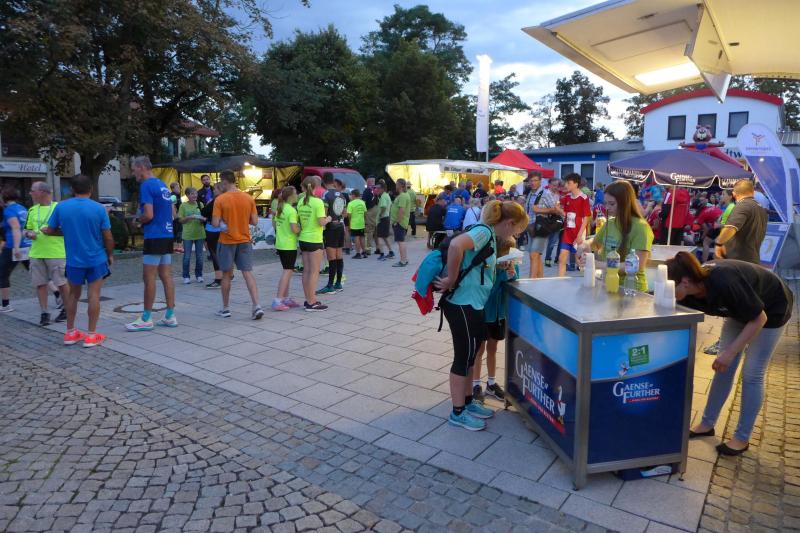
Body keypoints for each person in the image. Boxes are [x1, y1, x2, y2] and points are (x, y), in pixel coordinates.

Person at [667, 252, 794, 455]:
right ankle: (707, 424)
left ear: (685, 282)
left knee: (752, 373)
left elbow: (759, 318)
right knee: (723, 368)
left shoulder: (724, 281)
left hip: (771, 309)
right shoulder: (689, 292)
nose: (668, 292)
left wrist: (730, 352)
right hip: (741, 309)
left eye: (669, 287)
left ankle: (742, 438)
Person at [434, 200, 528, 431]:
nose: (517, 233)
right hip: (462, 303)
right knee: (463, 358)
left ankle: (467, 403)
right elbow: (456, 245)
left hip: (473, 304)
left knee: (470, 356)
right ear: (509, 223)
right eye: (518, 228)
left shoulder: (491, 236)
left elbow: (477, 265)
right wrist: (451, 279)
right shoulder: (484, 232)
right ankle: (457, 412)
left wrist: (499, 268)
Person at [43, 175, 113, 347]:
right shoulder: (99, 208)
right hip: (96, 258)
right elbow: (108, 237)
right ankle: (91, 335)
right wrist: (110, 255)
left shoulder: (61, 207)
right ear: (91, 189)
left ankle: (70, 332)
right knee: (94, 294)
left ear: (72, 189)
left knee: (73, 295)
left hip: (74, 259)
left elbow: (50, 230)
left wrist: (53, 231)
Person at [127, 156, 178, 331]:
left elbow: (148, 214)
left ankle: (146, 318)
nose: (133, 173)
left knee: (148, 277)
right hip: (167, 234)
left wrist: (138, 221)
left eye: (133, 169)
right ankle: (170, 315)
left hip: (154, 235)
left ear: (141, 167)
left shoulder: (146, 186)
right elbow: (171, 211)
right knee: (166, 276)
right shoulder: (162, 184)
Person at [581, 181, 653, 291]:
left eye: (612, 204)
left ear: (625, 203)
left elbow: (637, 266)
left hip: (631, 289)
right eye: (605, 203)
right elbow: (595, 243)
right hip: (609, 285)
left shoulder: (641, 227)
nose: (607, 208)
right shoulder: (610, 223)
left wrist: (598, 264)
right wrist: (585, 244)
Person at [211, 170, 264, 319]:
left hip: (227, 241)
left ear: (224, 182)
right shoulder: (248, 198)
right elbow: (255, 221)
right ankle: (256, 305)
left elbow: (215, 223)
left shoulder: (220, 200)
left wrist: (224, 223)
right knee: (248, 273)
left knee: (226, 275)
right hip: (244, 240)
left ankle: (226, 308)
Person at [472, 236, 517, 402]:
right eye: (505, 253)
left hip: (499, 315)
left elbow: (514, 283)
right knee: (479, 350)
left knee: (493, 348)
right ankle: (475, 384)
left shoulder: (510, 265)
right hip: (485, 314)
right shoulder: (488, 266)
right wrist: (502, 276)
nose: (508, 257)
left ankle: (491, 383)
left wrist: (512, 273)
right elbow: (488, 293)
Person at [24, 181, 68, 325]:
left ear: (42, 192)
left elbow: (67, 230)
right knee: (40, 284)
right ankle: (44, 313)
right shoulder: (32, 210)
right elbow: (26, 229)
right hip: (36, 253)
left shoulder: (59, 208)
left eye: (32, 191)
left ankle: (67, 309)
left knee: (61, 283)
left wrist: (51, 231)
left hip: (56, 252)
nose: (30, 193)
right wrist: (28, 234)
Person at [296, 176, 330, 311]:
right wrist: (328, 218)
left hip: (303, 239)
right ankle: (311, 302)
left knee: (306, 270)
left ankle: (308, 299)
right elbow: (321, 222)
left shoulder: (301, 201)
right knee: (314, 272)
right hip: (315, 240)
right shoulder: (317, 202)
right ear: (316, 187)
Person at [715, 179, 767, 264]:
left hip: (738, 259)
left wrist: (719, 243)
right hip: (752, 257)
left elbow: (731, 228)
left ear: (734, 194)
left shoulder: (743, 205)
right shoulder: (760, 208)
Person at [0, 185, 31, 313]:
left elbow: (16, 228)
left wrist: (16, 247)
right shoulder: (22, 208)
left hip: (13, 247)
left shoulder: (9, 211)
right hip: (26, 245)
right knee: (34, 272)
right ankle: (58, 296)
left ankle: (6, 305)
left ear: (4, 197)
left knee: (2, 274)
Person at [524, 172, 560, 279]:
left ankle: (531, 281)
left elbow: (556, 210)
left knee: (534, 254)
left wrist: (539, 210)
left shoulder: (545, 193)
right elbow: (528, 211)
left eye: (535, 180)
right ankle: (540, 280)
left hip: (541, 227)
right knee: (536, 256)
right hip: (531, 228)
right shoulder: (530, 193)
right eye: (531, 180)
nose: (533, 183)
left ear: (540, 181)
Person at [316, 173, 348, 293]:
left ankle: (330, 285)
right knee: (339, 255)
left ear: (323, 182)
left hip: (331, 228)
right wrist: (338, 217)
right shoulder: (342, 195)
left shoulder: (325, 194)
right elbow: (345, 213)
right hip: (340, 226)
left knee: (331, 257)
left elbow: (324, 214)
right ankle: (338, 283)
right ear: (333, 181)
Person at [272, 186, 301, 311]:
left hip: (280, 244)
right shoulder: (291, 210)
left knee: (287, 271)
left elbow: (275, 224)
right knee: (287, 271)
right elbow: (294, 229)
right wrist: (302, 229)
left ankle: (285, 298)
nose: (297, 195)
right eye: (296, 193)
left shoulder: (281, 207)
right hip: (289, 245)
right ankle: (278, 300)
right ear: (291, 196)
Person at [558, 173, 591, 277]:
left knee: (579, 261)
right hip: (567, 232)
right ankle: (559, 282)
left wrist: (580, 235)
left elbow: (586, 217)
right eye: (566, 183)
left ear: (576, 184)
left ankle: (587, 279)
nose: (566, 185)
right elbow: (564, 211)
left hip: (578, 233)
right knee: (562, 258)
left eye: (569, 183)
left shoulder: (583, 198)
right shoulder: (567, 196)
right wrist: (560, 211)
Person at [177, 187, 206, 284]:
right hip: (188, 234)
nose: (195, 195)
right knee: (187, 257)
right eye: (192, 194)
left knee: (200, 256)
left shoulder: (200, 204)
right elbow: (180, 220)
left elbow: (204, 217)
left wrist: (202, 219)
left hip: (200, 233)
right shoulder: (183, 206)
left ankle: (199, 275)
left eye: (195, 193)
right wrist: (189, 217)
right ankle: (186, 276)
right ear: (187, 195)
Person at [201, 182, 225, 288]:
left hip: (213, 229)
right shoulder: (228, 199)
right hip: (224, 229)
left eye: (215, 189)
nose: (213, 191)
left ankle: (218, 279)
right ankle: (229, 274)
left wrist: (208, 204)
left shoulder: (216, 200)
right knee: (224, 253)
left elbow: (204, 212)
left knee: (215, 254)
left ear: (220, 189)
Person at [389, 178, 411, 267]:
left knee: (400, 241)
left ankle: (403, 261)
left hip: (400, 222)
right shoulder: (404, 195)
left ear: (400, 185)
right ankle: (405, 259)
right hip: (401, 222)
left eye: (396, 184)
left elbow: (401, 210)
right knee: (401, 241)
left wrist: (396, 222)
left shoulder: (402, 196)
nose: (395, 186)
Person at [375, 182, 393, 261]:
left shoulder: (383, 197)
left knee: (379, 237)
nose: (377, 189)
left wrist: (380, 215)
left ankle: (382, 254)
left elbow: (383, 207)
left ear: (382, 189)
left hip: (382, 219)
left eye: (378, 188)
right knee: (385, 236)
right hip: (386, 218)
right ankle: (391, 252)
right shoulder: (387, 195)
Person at [346, 189, 367, 258]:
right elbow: (365, 213)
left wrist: (350, 223)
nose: (350, 196)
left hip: (354, 223)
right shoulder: (362, 202)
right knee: (362, 237)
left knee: (356, 238)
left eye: (351, 195)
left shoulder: (350, 203)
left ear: (353, 195)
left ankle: (358, 253)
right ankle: (364, 252)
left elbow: (349, 215)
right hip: (361, 223)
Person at [362, 176, 378, 255]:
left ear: (368, 182)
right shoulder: (376, 190)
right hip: (376, 210)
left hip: (369, 211)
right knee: (376, 231)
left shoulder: (367, 190)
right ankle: (379, 248)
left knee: (368, 231)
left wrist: (362, 213)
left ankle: (367, 250)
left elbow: (363, 202)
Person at [170, 181, 183, 253]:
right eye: (177, 187)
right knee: (178, 231)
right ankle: (177, 247)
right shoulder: (173, 196)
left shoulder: (177, 196)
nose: (179, 189)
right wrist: (176, 217)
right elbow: (172, 206)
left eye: (179, 187)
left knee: (178, 231)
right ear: (172, 189)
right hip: (175, 217)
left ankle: (177, 247)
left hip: (177, 216)